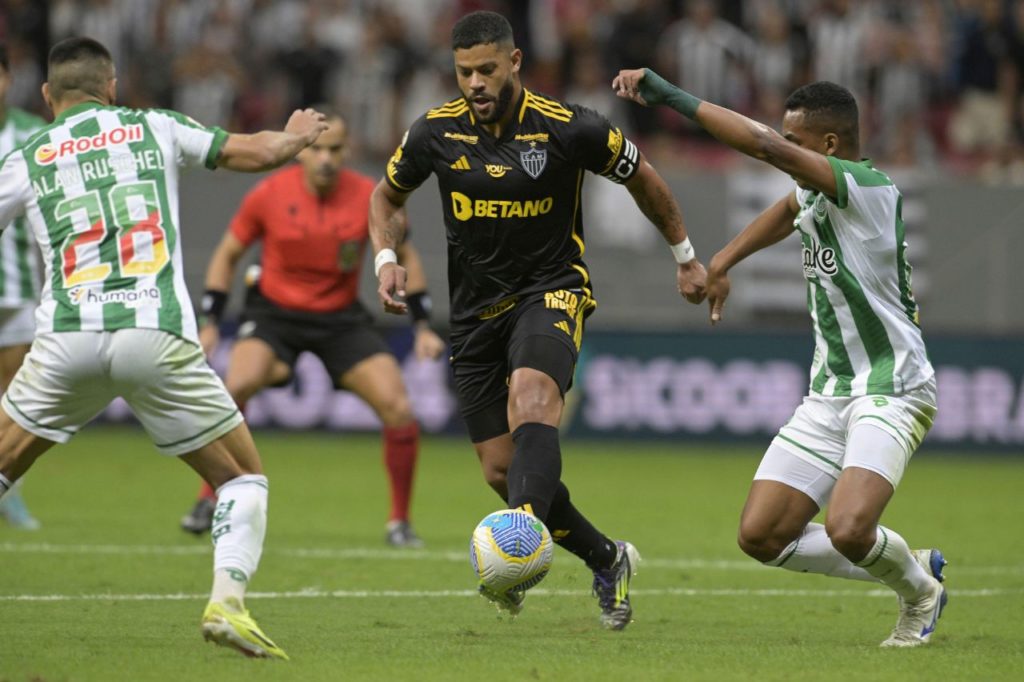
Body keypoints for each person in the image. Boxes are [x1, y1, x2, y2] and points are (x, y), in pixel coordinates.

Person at [370, 11, 707, 630]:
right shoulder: (434, 133)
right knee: (503, 471)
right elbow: (387, 196)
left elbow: (644, 179)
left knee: (532, 399)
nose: (475, 82)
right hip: (473, 316)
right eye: (464, 71)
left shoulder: (570, 129)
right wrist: (387, 256)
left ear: (516, 63)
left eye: (487, 70)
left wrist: (685, 257)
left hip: (551, 291)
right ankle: (607, 557)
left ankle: (516, 555)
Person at [0, 36, 331, 659]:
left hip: (66, 337)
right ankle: (227, 603)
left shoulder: (30, 154)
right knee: (242, 480)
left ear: (48, 97)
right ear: (113, 86)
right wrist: (296, 134)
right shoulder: (153, 127)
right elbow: (258, 153)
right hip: (155, 334)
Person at [613, 68, 946, 647]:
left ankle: (919, 592)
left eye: (796, 143)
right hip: (831, 391)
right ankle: (899, 558)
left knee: (847, 528)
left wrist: (668, 96)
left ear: (831, 145)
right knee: (762, 536)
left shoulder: (868, 188)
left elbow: (763, 144)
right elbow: (785, 210)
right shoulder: (817, 191)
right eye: (787, 141)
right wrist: (722, 261)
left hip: (893, 387)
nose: (784, 150)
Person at [179, 110, 445, 547]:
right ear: (300, 150)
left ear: (347, 152)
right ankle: (209, 497)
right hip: (273, 316)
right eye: (316, 148)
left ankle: (399, 522)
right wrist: (211, 322)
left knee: (399, 408)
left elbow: (408, 258)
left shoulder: (369, 197)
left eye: (335, 149)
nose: (325, 158)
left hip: (339, 319)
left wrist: (422, 325)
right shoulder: (268, 194)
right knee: (236, 385)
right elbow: (227, 255)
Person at [0, 43, 44, 531]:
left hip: (17, 288)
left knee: (17, 398)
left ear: (9, 78)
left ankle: (9, 492)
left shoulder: (33, 135)